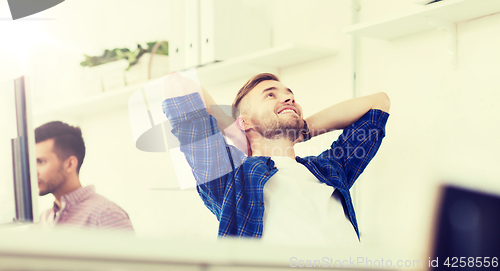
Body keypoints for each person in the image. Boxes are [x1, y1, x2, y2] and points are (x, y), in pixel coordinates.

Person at [162, 70, 389, 245]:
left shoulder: (329, 169)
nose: (289, 99)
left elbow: (379, 104)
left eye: (290, 95)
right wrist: (236, 133)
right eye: (271, 95)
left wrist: (304, 129)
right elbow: (176, 85)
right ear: (245, 121)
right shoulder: (232, 178)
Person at [35, 121, 134, 232]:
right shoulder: (42, 220)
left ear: (70, 164)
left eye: (41, 162)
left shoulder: (105, 214)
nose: (33, 172)